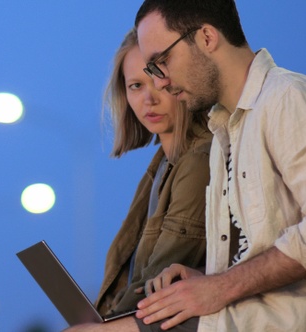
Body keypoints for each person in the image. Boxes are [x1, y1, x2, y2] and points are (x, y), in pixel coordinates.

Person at [131, 0, 306, 331]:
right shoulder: (224, 130)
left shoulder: (285, 98)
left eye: (161, 62)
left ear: (207, 37)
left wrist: (220, 287)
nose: (161, 82)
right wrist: (205, 280)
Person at [65, 29, 212, 332]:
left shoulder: (201, 160)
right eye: (135, 85)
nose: (149, 98)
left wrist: (105, 328)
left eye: (158, 79)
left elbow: (159, 285)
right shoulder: (159, 168)